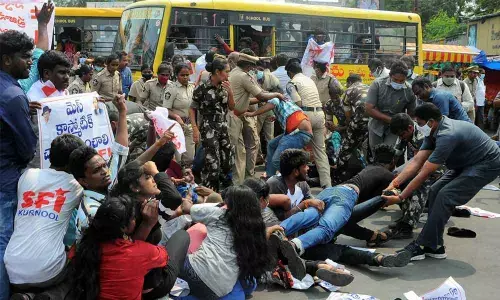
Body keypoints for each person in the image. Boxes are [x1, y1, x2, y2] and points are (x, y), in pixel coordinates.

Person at [383, 103, 500, 260]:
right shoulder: (434, 131)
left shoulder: (447, 135)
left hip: (487, 163)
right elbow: (417, 160)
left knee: (445, 196)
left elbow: (424, 172)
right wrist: (394, 184)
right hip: (466, 162)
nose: (417, 126)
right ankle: (435, 246)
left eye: (419, 122)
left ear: (430, 121)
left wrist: (400, 197)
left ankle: (423, 244)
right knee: (435, 190)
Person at [5, 135, 84, 297]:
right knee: (81, 264)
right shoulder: (75, 186)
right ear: (74, 162)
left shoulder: (27, 175)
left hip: (12, 268)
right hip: (49, 270)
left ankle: (27, 296)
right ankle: (53, 295)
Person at [69, 195, 189, 300]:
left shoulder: (82, 245)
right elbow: (164, 257)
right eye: (133, 218)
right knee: (182, 236)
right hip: (149, 286)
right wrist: (148, 224)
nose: (135, 220)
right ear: (124, 228)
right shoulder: (139, 252)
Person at [0, 30, 40, 298]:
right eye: (25, 57)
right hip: (5, 180)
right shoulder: (14, 96)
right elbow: (27, 151)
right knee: (3, 242)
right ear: (6, 60)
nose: (30, 62)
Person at [179, 185, 271, 299]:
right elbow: (249, 284)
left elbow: (187, 208)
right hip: (220, 289)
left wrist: (187, 197)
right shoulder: (256, 229)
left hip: (194, 269)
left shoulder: (219, 213)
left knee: (179, 240)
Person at [228, 50, 284, 184]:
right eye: (252, 66)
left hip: (238, 116)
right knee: (242, 149)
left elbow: (248, 99)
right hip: (236, 117)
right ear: (248, 66)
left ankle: (243, 180)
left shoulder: (235, 72)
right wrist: (277, 95)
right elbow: (261, 96)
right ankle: (243, 180)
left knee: (241, 151)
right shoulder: (243, 76)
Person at [388, 113, 443, 240]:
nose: (401, 137)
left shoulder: (422, 135)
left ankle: (408, 226)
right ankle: (406, 215)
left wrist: (407, 177)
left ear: (410, 128)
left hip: (438, 164)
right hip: (420, 161)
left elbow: (422, 165)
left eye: (402, 135)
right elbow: (397, 154)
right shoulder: (404, 133)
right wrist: (388, 175)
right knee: (396, 177)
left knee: (418, 184)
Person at [190, 58, 235, 191]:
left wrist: (230, 92)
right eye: (226, 72)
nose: (228, 75)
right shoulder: (202, 89)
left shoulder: (225, 87)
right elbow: (192, 108)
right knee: (212, 164)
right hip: (208, 128)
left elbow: (232, 107)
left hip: (223, 127)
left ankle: (223, 187)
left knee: (227, 162)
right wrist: (194, 128)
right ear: (217, 72)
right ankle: (210, 192)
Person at [286, 59, 331, 188]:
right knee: (320, 152)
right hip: (319, 114)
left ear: (290, 73)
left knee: (296, 150)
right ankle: (327, 185)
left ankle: (297, 184)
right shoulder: (309, 80)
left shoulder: (291, 83)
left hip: (306, 116)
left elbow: (298, 103)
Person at [245, 97, 313, 178]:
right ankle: (270, 176)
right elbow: (290, 113)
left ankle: (293, 179)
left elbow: (269, 105)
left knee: (276, 160)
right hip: (298, 132)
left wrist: (252, 114)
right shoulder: (287, 100)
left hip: (298, 133)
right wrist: (276, 117)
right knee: (271, 145)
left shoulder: (275, 98)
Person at [27, 50, 71, 168]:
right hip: (40, 162)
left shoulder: (63, 91)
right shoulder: (34, 99)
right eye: (62, 73)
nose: (67, 77)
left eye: (68, 72)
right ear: (47, 74)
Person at [365, 60, 416, 155]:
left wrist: (406, 130)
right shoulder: (378, 84)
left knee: (389, 154)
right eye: (395, 80)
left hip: (395, 130)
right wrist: (391, 120)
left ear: (406, 78)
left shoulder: (409, 91)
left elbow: (411, 115)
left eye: (402, 81)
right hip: (375, 126)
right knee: (376, 154)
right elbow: (369, 108)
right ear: (390, 76)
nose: (398, 83)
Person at [333, 74, 370, 182]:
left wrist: (349, 125)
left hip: (359, 122)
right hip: (373, 122)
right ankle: (368, 176)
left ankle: (339, 178)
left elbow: (347, 112)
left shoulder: (349, 90)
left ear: (349, 83)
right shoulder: (369, 87)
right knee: (368, 150)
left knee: (346, 148)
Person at [163, 63, 195, 167]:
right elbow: (165, 109)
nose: (185, 77)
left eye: (187, 75)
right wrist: (176, 117)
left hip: (189, 126)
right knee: (177, 158)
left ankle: (187, 178)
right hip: (176, 126)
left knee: (190, 157)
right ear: (177, 75)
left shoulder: (192, 87)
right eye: (182, 75)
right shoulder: (171, 89)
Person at [255, 60, 281, 164]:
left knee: (255, 134)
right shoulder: (274, 77)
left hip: (260, 109)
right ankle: (270, 160)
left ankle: (258, 156)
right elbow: (278, 92)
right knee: (270, 136)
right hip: (271, 109)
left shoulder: (257, 75)